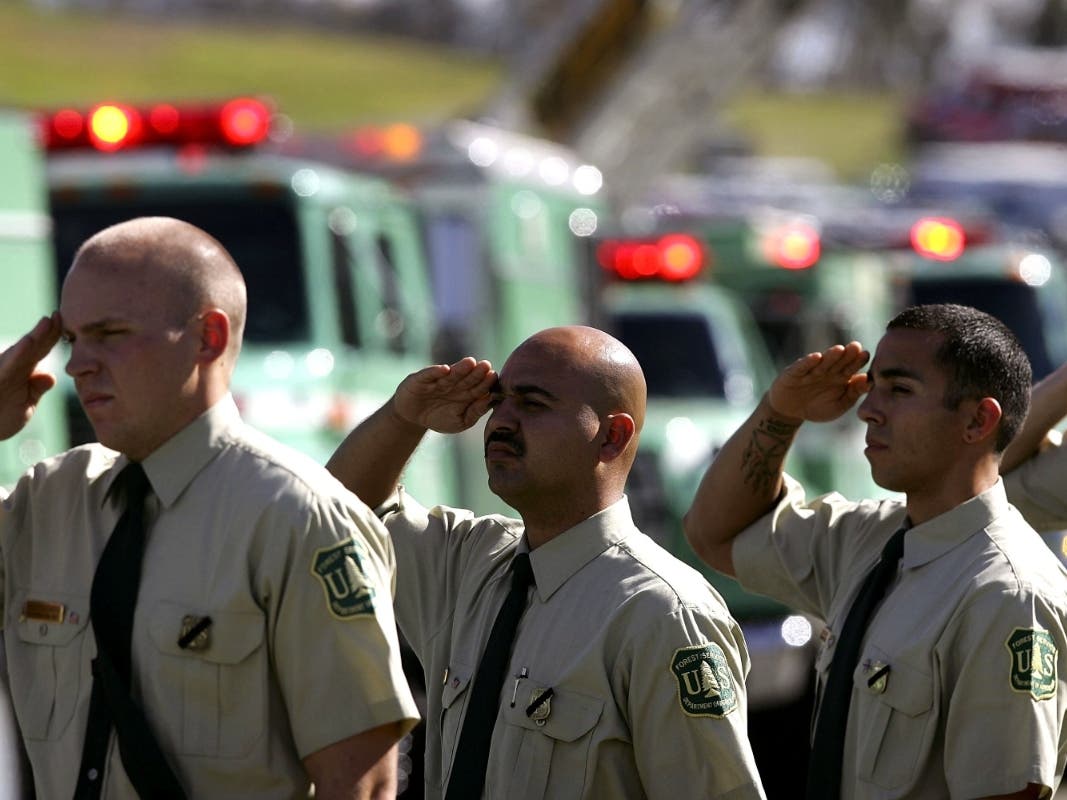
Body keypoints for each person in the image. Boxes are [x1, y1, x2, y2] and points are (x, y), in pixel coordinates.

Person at [0, 217, 419, 799]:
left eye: (110, 334)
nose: (77, 365)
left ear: (208, 339)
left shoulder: (297, 517)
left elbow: (362, 784)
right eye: (74, 339)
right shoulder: (47, 502)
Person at [326, 325, 767, 799]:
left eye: (532, 404)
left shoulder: (663, 614)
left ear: (611, 436)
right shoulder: (472, 562)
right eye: (499, 402)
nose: (500, 422)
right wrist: (404, 416)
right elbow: (344, 514)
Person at [683, 303, 1067, 799]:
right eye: (873, 386)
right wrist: (780, 412)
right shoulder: (870, 539)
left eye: (900, 390)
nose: (867, 409)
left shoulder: (1008, 596)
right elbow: (716, 534)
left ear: (977, 421)